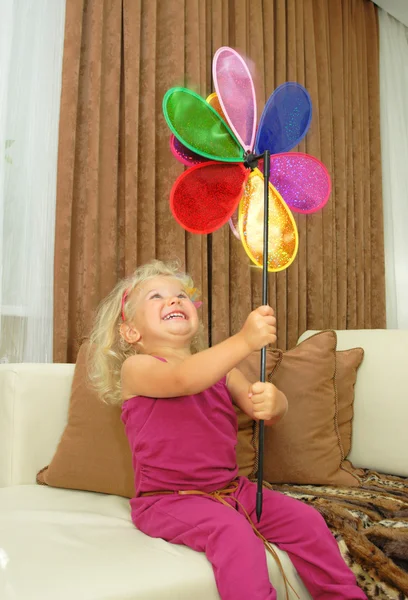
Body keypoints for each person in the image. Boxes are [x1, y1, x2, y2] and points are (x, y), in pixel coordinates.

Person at [88, 259, 367, 600]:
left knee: (307, 521)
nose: (174, 300)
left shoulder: (223, 371)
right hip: (169, 501)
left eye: (180, 295)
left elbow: (264, 412)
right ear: (131, 331)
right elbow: (184, 379)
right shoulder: (138, 368)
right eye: (157, 296)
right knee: (233, 534)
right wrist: (245, 340)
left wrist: (275, 402)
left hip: (235, 491)